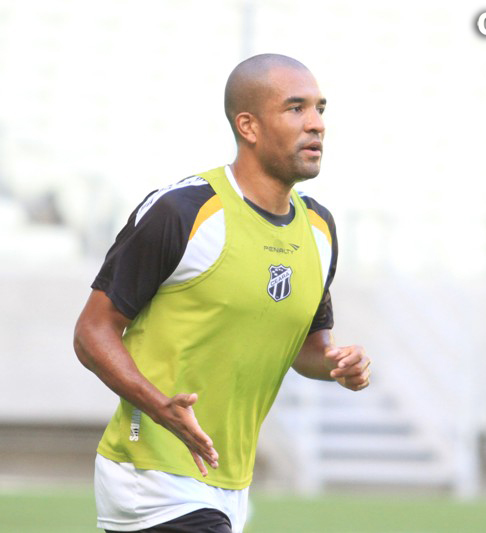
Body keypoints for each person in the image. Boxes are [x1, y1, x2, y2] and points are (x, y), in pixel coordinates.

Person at [73, 53, 371, 533]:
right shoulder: (183, 212)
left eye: (320, 108)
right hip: (151, 472)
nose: (316, 124)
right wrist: (159, 406)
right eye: (296, 109)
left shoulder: (319, 230)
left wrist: (338, 364)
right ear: (248, 126)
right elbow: (92, 332)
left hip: (230, 483)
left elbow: (309, 351)